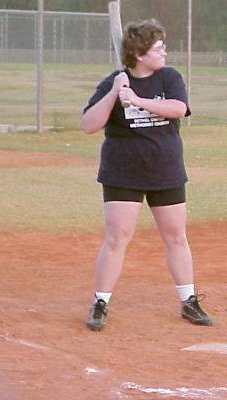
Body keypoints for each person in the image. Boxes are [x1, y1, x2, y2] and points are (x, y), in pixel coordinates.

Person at [80, 19, 212, 331]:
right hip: (123, 172)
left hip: (165, 169)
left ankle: (188, 300)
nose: (164, 52)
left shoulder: (169, 78)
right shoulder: (114, 82)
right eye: (158, 48)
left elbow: (178, 109)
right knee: (116, 238)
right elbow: (89, 125)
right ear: (140, 54)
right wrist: (114, 93)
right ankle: (100, 302)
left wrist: (137, 100)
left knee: (176, 237)